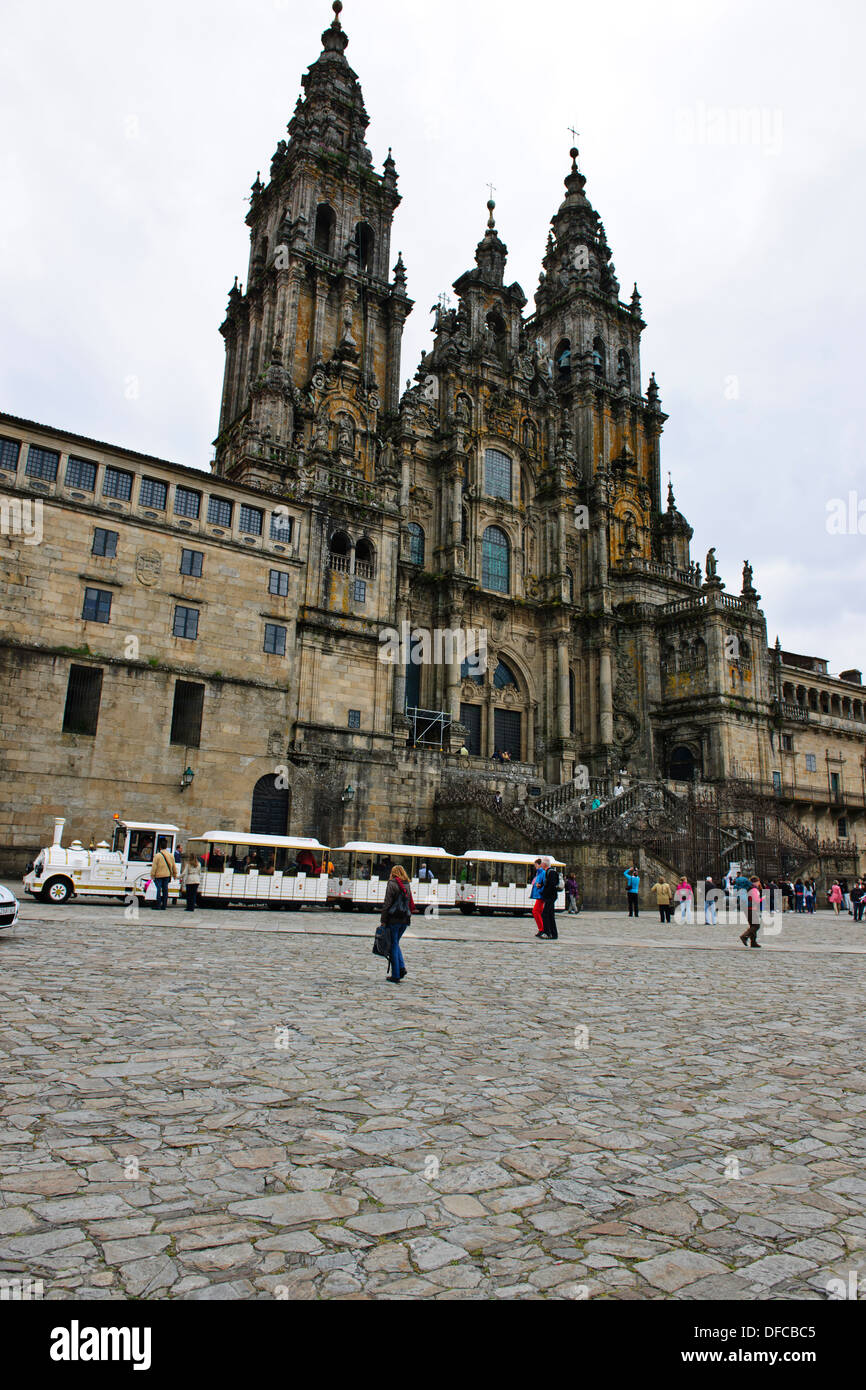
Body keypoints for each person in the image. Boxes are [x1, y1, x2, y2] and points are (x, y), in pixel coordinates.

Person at [380, 865, 413, 984]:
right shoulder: (407, 884)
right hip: (405, 919)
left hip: (394, 919)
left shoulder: (392, 884)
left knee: (393, 945)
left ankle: (395, 975)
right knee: (395, 943)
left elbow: (387, 903)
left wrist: (383, 920)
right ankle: (401, 968)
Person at [150, 843, 178, 911]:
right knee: (165, 890)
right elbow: (174, 866)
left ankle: (158, 905)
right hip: (167, 875)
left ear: (160, 847)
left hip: (159, 875)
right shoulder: (171, 855)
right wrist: (175, 874)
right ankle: (164, 905)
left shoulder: (157, 855)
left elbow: (154, 866)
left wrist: (152, 874)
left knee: (158, 890)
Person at [540, 856, 559, 939]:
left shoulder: (551, 872)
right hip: (551, 896)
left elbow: (552, 885)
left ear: (544, 864)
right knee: (550, 914)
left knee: (545, 914)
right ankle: (553, 933)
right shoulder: (549, 872)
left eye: (542, 864)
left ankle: (548, 932)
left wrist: (545, 893)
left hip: (550, 896)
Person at [740, 877, 763, 947]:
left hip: (747, 909)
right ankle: (744, 936)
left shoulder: (748, 888)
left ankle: (753, 942)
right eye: (758, 882)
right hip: (751, 909)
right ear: (756, 882)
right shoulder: (754, 889)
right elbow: (756, 900)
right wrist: (763, 898)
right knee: (756, 926)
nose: (759, 883)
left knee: (753, 925)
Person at [530, 858, 546, 936]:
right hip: (539, 895)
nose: (535, 866)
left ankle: (542, 928)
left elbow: (544, 884)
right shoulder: (539, 873)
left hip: (540, 895)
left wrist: (540, 888)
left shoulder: (542, 873)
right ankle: (542, 928)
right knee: (539, 912)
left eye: (536, 865)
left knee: (535, 911)